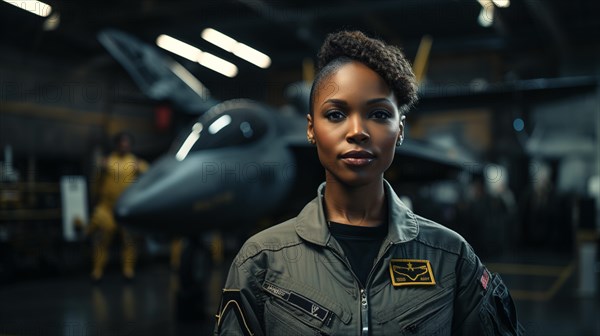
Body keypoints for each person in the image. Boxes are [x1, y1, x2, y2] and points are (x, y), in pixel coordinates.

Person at [214, 31, 523, 335]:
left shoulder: (450, 256)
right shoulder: (261, 260)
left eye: (378, 113)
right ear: (310, 129)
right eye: (335, 114)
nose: (357, 131)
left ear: (400, 130)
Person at [85, 131, 148, 281]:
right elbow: (96, 183)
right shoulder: (106, 162)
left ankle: (128, 270)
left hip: (127, 208)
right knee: (101, 239)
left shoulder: (136, 163)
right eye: (122, 142)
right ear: (117, 144)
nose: (124, 145)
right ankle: (97, 270)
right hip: (107, 208)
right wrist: (94, 198)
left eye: (127, 142)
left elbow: (149, 178)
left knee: (129, 240)